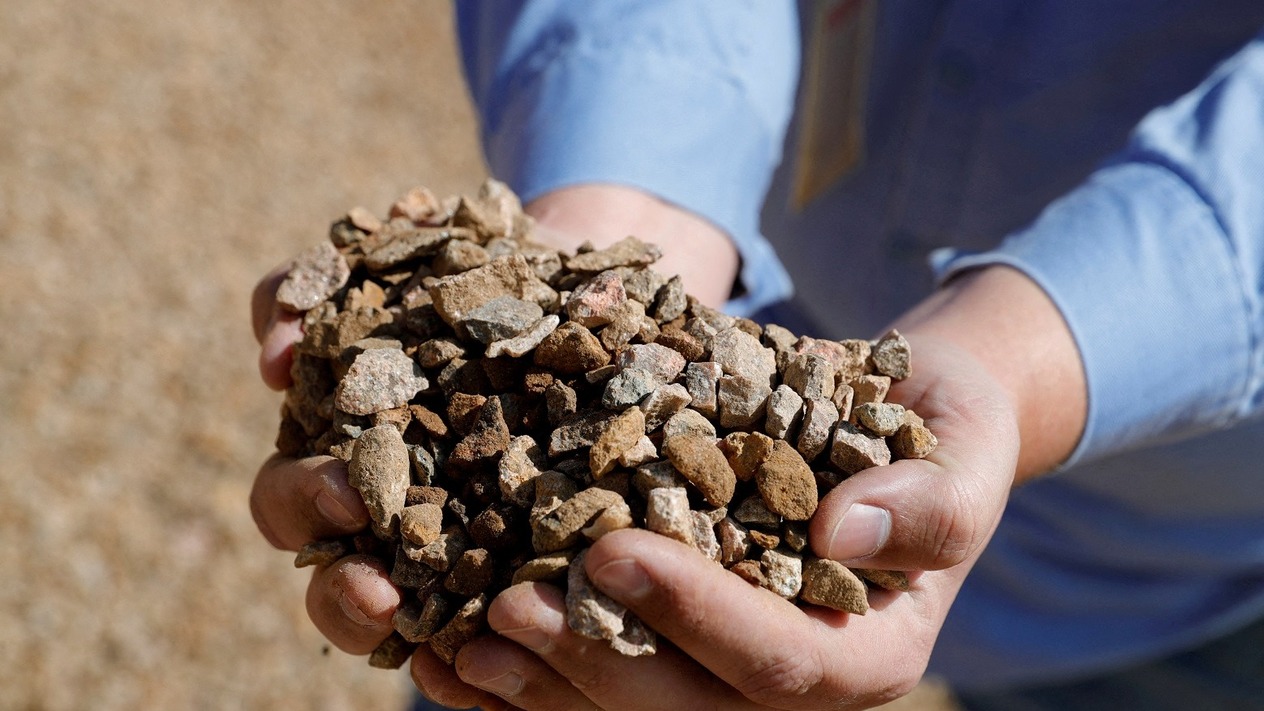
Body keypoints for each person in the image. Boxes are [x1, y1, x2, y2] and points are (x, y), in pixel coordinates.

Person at [250, 2, 1264, 709]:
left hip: (1174, 567)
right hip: (728, 317)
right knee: (524, 656)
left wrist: (1023, 356)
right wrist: (627, 209)